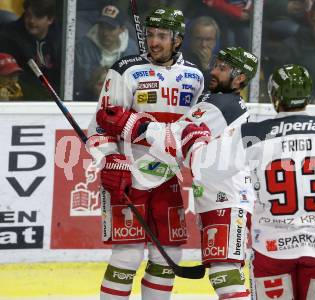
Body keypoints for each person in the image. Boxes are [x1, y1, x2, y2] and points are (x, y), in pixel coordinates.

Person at [185, 64, 315, 299]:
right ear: (308, 95)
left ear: (274, 96)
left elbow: (204, 168)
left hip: (272, 249)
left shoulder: (252, 133)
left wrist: (195, 138)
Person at [95, 46, 259, 300]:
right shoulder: (216, 99)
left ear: (240, 79)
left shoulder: (221, 104)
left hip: (228, 198)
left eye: (223, 69)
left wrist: (132, 124)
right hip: (218, 197)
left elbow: (176, 137)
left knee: (225, 273)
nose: (213, 71)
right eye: (215, 64)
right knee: (224, 272)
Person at [86, 6, 204, 300]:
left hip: (167, 178)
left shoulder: (194, 77)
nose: (154, 42)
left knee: (168, 255)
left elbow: (197, 129)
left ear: (178, 39)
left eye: (162, 36)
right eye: (151, 35)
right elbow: (99, 124)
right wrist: (109, 159)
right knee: (126, 255)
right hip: (129, 175)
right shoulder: (127, 69)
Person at [74, 3, 138, 100]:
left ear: (122, 29)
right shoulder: (83, 46)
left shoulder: (132, 49)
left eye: (111, 28)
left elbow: (134, 85)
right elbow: (78, 85)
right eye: (102, 26)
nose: (105, 33)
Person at [0, 0, 61, 99]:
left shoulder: (62, 40)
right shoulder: (10, 38)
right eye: (28, 15)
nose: (32, 20)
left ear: (50, 19)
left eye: (38, 16)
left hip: (54, 100)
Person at [183, 16, 220, 88]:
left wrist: (206, 67)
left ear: (215, 42)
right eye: (198, 39)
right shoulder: (179, 61)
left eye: (208, 39)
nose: (203, 45)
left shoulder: (221, 65)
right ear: (190, 39)